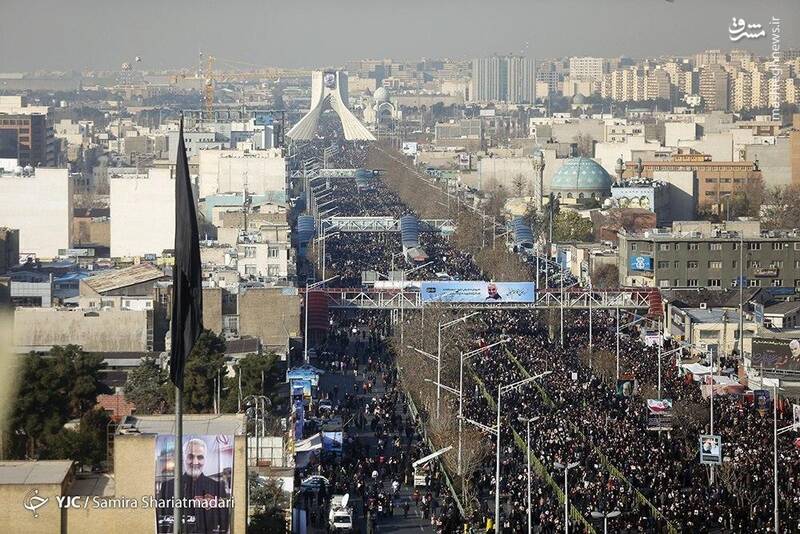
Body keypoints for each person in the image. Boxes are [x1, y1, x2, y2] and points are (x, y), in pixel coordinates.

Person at [156, 437, 230, 534]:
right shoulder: (168, 487)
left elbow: (224, 522)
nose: (195, 462)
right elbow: (161, 519)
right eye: (190, 457)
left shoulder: (217, 487)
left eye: (200, 457)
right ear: (183, 458)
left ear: (205, 459)